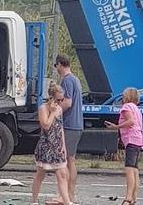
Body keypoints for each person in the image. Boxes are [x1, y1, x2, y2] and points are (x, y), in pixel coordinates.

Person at [32, 82, 76, 205]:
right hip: (46, 145)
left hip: (57, 144)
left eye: (62, 100)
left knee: (62, 173)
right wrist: (52, 112)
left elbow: (60, 128)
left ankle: (67, 202)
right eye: (58, 99)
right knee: (40, 174)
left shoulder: (60, 109)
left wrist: (63, 146)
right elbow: (45, 125)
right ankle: (34, 200)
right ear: (51, 98)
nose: (60, 102)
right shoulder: (43, 108)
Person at [105, 88, 143, 205]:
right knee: (135, 169)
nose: (122, 98)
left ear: (127, 97)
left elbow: (130, 121)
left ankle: (128, 198)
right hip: (139, 139)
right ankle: (134, 197)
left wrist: (116, 126)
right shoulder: (136, 109)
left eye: (123, 95)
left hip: (131, 139)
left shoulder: (126, 107)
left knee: (129, 169)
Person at [54, 54, 83, 203]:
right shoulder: (76, 79)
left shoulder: (67, 80)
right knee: (70, 159)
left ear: (60, 64)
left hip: (70, 124)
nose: (56, 68)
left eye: (55, 65)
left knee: (66, 161)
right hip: (76, 124)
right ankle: (69, 194)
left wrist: (54, 113)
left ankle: (66, 195)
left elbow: (67, 102)